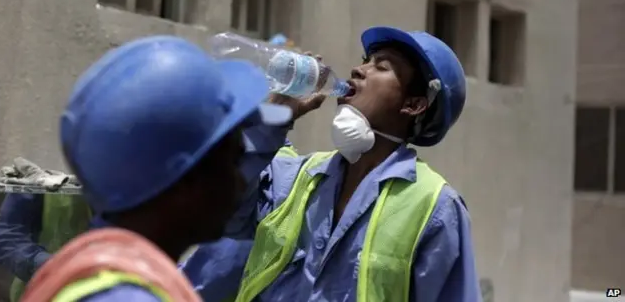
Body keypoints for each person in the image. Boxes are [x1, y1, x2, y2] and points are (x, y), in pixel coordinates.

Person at [184, 26, 482, 301]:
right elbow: (217, 210)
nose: (358, 69)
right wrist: (272, 121)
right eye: (366, 60)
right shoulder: (293, 178)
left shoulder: (434, 208)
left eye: (382, 66)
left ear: (414, 104)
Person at [20, 35, 322, 301]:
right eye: (234, 161)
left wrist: (276, 117)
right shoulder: (127, 296)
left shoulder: (92, 270)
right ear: (187, 182)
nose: (242, 183)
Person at [0, 160, 91, 302]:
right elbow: (8, 238)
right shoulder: (37, 166)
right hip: (37, 292)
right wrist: (48, 265)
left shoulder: (123, 175)